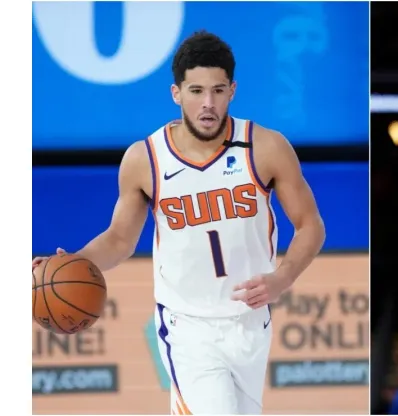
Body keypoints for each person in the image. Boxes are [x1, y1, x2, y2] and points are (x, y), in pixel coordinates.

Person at [31, 30, 326, 414]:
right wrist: (71, 262)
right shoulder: (146, 159)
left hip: (251, 321)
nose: (208, 104)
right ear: (176, 93)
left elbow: (311, 225)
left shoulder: (266, 147)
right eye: (196, 91)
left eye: (218, 91)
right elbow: (120, 239)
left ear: (232, 91)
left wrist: (282, 278)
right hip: (187, 324)